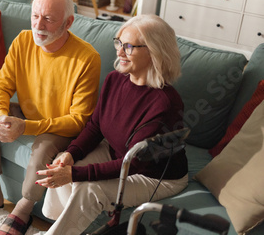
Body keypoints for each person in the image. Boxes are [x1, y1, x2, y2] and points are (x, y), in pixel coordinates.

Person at [0, 0, 101, 235]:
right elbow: (1, 85)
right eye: (35, 15)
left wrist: (27, 127)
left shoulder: (87, 58)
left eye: (48, 19)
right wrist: (1, 115)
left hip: (60, 124)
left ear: (68, 22)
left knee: (45, 148)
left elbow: (79, 120)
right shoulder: (24, 40)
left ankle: (23, 210)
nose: (39, 25)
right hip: (27, 113)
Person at [37, 14, 189, 234]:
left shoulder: (165, 104)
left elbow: (134, 163)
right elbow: (96, 126)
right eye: (119, 42)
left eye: (129, 46)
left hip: (156, 175)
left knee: (91, 188)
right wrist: (71, 153)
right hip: (119, 153)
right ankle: (59, 225)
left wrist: (75, 174)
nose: (119, 51)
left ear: (154, 51)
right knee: (63, 164)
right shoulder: (114, 80)